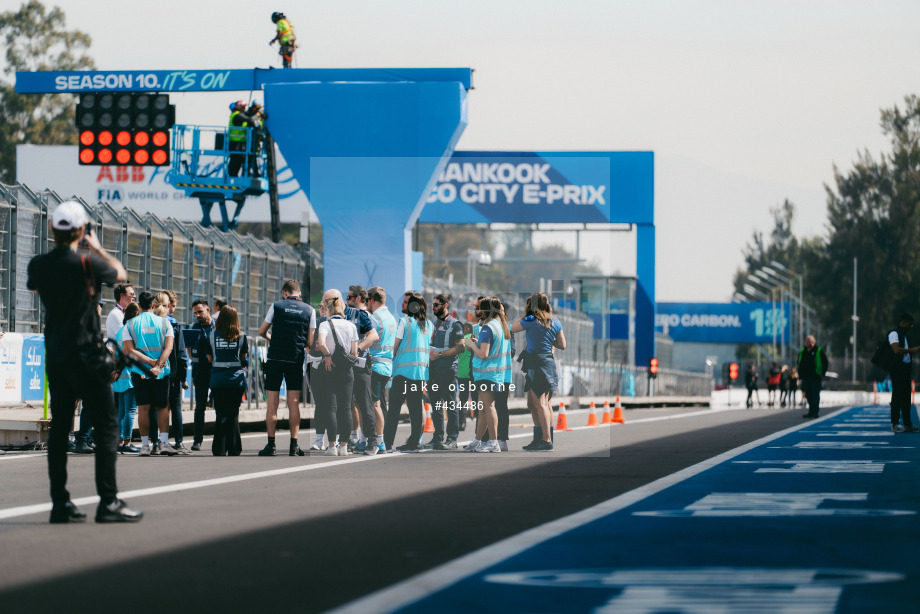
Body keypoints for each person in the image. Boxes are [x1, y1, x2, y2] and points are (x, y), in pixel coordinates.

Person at [26, 200, 142, 523]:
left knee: (60, 428)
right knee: (106, 424)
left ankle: (59, 504)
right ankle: (108, 501)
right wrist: (96, 247)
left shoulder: (39, 265)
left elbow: (35, 288)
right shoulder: (87, 264)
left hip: (58, 354)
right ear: (80, 231)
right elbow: (120, 273)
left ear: (52, 229)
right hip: (88, 354)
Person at [258, 279, 316, 456]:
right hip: (295, 359)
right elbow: (310, 341)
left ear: (285, 292)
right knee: (294, 403)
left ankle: (271, 445)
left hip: (275, 358)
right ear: (299, 293)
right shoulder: (310, 310)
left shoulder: (276, 306)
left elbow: (261, 331)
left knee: (272, 404)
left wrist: (272, 339)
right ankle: (294, 445)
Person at [123, 291, 179, 456]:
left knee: (143, 408)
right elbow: (169, 347)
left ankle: (145, 446)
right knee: (162, 407)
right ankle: (163, 443)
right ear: (154, 305)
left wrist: (147, 363)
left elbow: (129, 349)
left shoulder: (130, 324)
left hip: (140, 372)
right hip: (160, 372)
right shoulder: (164, 323)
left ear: (139, 306)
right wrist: (158, 365)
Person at [511, 292, 565, 451]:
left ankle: (546, 440)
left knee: (539, 403)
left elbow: (512, 328)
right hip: (549, 362)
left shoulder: (530, 319)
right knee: (539, 403)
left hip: (536, 363)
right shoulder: (555, 320)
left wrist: (525, 315)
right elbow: (562, 345)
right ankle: (541, 438)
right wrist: (548, 339)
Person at [462, 296, 511, 453]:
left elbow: (483, 354)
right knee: (483, 408)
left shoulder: (488, 328)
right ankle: (478, 440)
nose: (478, 311)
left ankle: (493, 442)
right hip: (494, 373)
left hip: (486, 373)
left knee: (488, 407)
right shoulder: (500, 326)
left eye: (480, 308)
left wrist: (470, 344)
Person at [384, 291, 431, 452]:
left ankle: (387, 443)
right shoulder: (429, 325)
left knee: (394, 411)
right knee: (416, 409)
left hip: (402, 374)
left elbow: (394, 348)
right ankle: (414, 443)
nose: (402, 304)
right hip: (420, 375)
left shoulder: (405, 322)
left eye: (405, 302)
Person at [316, 291, 359, 456]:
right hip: (347, 371)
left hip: (329, 368)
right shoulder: (351, 326)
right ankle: (344, 446)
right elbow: (354, 353)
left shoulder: (325, 325)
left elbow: (321, 343)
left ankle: (332, 446)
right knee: (346, 408)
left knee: (331, 408)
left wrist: (327, 355)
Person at [202, 306, 249, 455]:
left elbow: (209, 358)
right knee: (233, 414)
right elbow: (243, 357)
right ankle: (234, 448)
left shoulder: (212, 335)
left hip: (218, 380)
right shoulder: (242, 336)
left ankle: (219, 448)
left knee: (220, 413)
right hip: (236, 381)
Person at [424, 293, 465, 450]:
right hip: (433, 370)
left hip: (448, 370)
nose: (433, 307)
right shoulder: (433, 324)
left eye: (436, 305)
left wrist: (439, 354)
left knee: (450, 404)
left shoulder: (455, 324)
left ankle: (452, 438)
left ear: (445, 306)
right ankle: (437, 437)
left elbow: (460, 347)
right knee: (435, 405)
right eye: (432, 305)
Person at [344, 285, 379, 453]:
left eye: (349, 297)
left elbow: (373, 335)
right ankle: (350, 440)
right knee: (349, 404)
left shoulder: (362, 315)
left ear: (358, 298)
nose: (346, 299)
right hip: (346, 366)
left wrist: (357, 350)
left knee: (366, 405)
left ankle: (373, 442)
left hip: (360, 365)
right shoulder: (344, 314)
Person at [365, 286, 396, 455]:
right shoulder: (391, 318)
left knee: (374, 405)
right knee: (379, 404)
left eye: (367, 300)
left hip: (375, 366)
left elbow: (369, 337)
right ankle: (379, 440)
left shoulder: (374, 318)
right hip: (386, 367)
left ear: (372, 300)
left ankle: (379, 442)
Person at [163, 290, 190, 453]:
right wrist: (182, 376)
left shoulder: (151, 321)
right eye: (172, 306)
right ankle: (179, 442)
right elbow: (181, 354)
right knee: (176, 407)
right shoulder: (173, 323)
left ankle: (157, 441)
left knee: (158, 408)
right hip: (172, 372)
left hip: (154, 371)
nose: (173, 309)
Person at [114, 302, 141, 454]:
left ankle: (119, 441)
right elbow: (128, 354)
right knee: (130, 410)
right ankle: (127, 441)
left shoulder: (120, 331)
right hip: (130, 375)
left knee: (121, 411)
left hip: (120, 377)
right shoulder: (131, 331)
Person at [188, 299, 215, 451]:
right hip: (200, 371)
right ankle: (197, 440)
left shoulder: (218, 325)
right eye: (195, 313)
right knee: (200, 407)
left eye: (200, 311)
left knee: (220, 405)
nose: (198, 315)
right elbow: (189, 348)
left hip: (216, 369)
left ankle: (220, 438)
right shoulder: (194, 327)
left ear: (208, 310)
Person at [887, 313, 920, 432]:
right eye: (909, 325)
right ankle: (895, 423)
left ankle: (907, 423)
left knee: (906, 397)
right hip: (897, 369)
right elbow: (896, 350)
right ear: (903, 322)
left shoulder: (904, 335)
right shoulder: (894, 333)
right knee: (897, 396)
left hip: (905, 368)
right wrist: (912, 350)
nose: (909, 328)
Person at [227, 102, 263, 178]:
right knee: (235, 160)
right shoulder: (237, 115)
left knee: (240, 159)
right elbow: (250, 119)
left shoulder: (240, 114)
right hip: (235, 143)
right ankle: (232, 176)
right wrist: (258, 115)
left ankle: (236, 175)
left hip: (240, 143)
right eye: (243, 107)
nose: (245, 109)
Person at [797, 335, 829, 419]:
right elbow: (799, 362)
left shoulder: (818, 351)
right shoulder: (803, 351)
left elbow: (825, 362)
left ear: (813, 342)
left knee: (815, 394)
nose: (806, 343)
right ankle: (810, 411)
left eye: (808, 341)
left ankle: (815, 412)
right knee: (807, 394)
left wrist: (822, 373)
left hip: (815, 377)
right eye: (806, 341)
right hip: (806, 377)